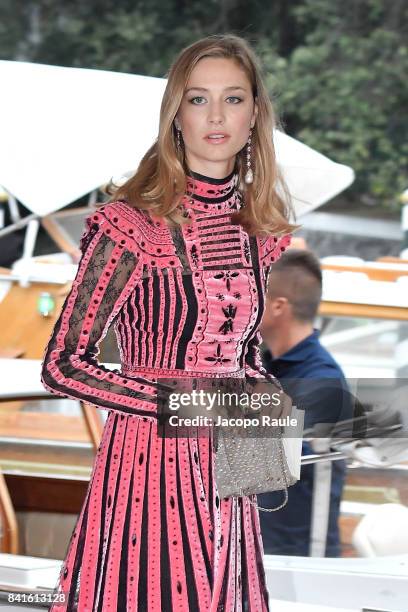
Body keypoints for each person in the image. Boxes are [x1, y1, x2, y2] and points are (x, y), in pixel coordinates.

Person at [40, 34, 300, 611]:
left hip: (229, 471)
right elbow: (63, 365)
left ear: (254, 113)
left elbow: (243, 354)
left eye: (233, 99)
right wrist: (183, 404)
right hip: (147, 464)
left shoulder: (259, 232)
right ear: (175, 114)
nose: (216, 115)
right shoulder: (129, 224)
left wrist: (266, 410)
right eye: (198, 98)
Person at [256, 248, 354, 557]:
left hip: (299, 560)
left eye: (252, 292)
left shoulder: (321, 381)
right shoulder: (264, 367)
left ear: (278, 306)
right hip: (261, 547)